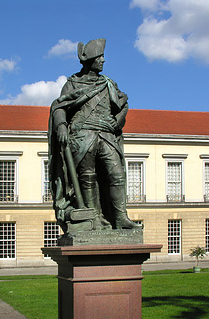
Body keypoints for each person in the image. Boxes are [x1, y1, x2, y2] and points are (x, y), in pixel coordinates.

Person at [48, 38, 141, 232]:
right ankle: (94, 219)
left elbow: (123, 104)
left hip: (106, 134)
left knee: (117, 175)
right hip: (82, 136)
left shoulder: (108, 83)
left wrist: (119, 119)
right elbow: (59, 106)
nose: (103, 61)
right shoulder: (72, 84)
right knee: (87, 177)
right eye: (100, 57)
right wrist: (62, 125)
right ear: (90, 59)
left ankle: (120, 217)